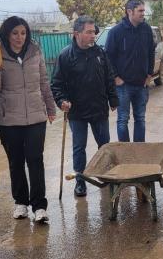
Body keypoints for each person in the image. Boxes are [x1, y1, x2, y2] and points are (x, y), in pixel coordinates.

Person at [0, 16, 56, 223]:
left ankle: (39, 206)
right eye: (15, 33)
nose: (19, 37)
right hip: (8, 118)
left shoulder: (35, 51)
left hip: (36, 116)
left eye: (23, 33)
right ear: (7, 34)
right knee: (15, 161)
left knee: (35, 160)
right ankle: (20, 203)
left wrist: (50, 107)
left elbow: (44, 81)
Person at [51, 16, 118, 197]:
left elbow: (108, 77)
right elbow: (56, 84)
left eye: (94, 32)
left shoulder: (99, 53)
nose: (93, 35)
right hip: (77, 112)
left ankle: (106, 176)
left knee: (104, 146)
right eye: (88, 32)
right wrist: (61, 100)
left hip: (98, 108)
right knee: (79, 148)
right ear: (76, 33)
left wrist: (113, 99)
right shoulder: (66, 56)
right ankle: (80, 181)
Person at [105, 0, 155, 143]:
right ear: (129, 12)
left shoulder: (146, 29)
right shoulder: (116, 32)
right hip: (123, 86)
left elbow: (151, 51)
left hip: (141, 84)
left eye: (143, 10)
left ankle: (139, 151)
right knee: (122, 120)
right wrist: (115, 77)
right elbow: (108, 56)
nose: (143, 14)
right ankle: (126, 153)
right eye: (140, 11)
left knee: (140, 118)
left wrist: (149, 73)